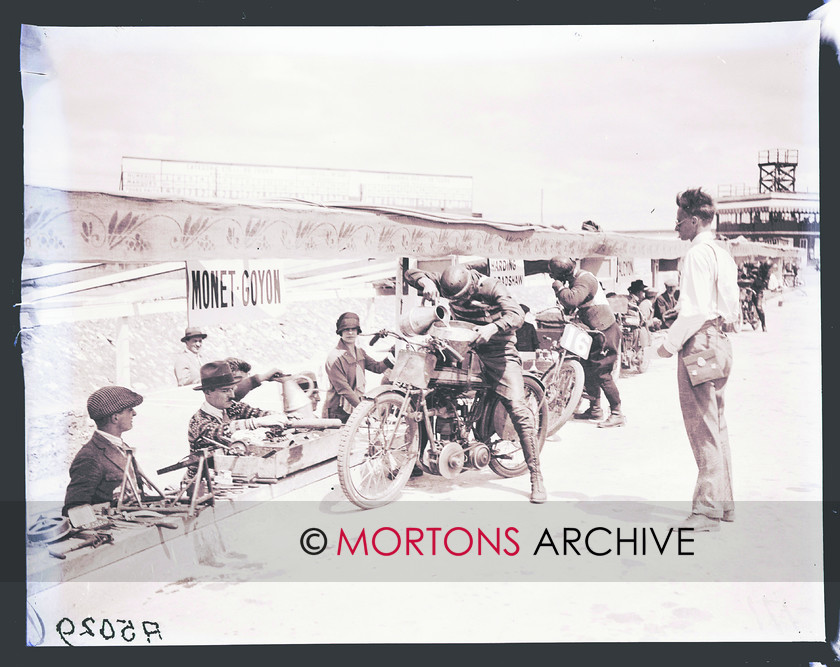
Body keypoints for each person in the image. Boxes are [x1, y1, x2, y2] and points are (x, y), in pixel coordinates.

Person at [404, 264, 546, 503]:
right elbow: (411, 272)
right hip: (460, 344)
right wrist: (424, 282)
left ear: (472, 286)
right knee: (427, 398)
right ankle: (414, 460)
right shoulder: (449, 280)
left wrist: (493, 327)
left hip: (497, 349)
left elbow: (517, 315)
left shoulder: (492, 287)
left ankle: (536, 476)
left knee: (519, 410)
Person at [656, 188, 739, 533]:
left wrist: (668, 344)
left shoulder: (696, 254)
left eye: (678, 221)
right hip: (720, 339)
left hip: (699, 339)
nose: (676, 227)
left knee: (702, 427)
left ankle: (706, 512)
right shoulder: (723, 253)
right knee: (716, 423)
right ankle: (725, 505)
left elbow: (694, 311)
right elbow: (727, 307)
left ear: (693, 220)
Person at [548, 257, 626, 428]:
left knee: (602, 373)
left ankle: (617, 413)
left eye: (553, 274)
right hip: (593, 331)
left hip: (605, 331)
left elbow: (571, 300)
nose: (551, 276)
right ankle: (595, 408)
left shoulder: (585, 279)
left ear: (562, 274)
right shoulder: (575, 279)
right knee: (587, 369)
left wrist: (558, 287)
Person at [64, 385, 149, 514]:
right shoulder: (89, 457)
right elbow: (74, 510)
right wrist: (111, 508)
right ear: (115, 417)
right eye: (130, 410)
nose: (134, 413)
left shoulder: (122, 447)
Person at [187, 361, 288, 453]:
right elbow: (220, 431)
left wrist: (276, 417)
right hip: (204, 472)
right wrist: (255, 422)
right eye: (225, 390)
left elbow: (259, 413)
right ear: (207, 392)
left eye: (232, 389)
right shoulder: (198, 421)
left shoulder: (234, 408)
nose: (232, 395)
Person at [323, 312, 392, 424]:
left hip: (354, 407)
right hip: (337, 411)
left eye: (353, 329)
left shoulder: (359, 352)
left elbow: (377, 368)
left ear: (358, 332)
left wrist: (393, 355)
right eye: (346, 329)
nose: (350, 332)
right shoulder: (334, 358)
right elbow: (344, 389)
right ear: (340, 332)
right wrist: (363, 409)